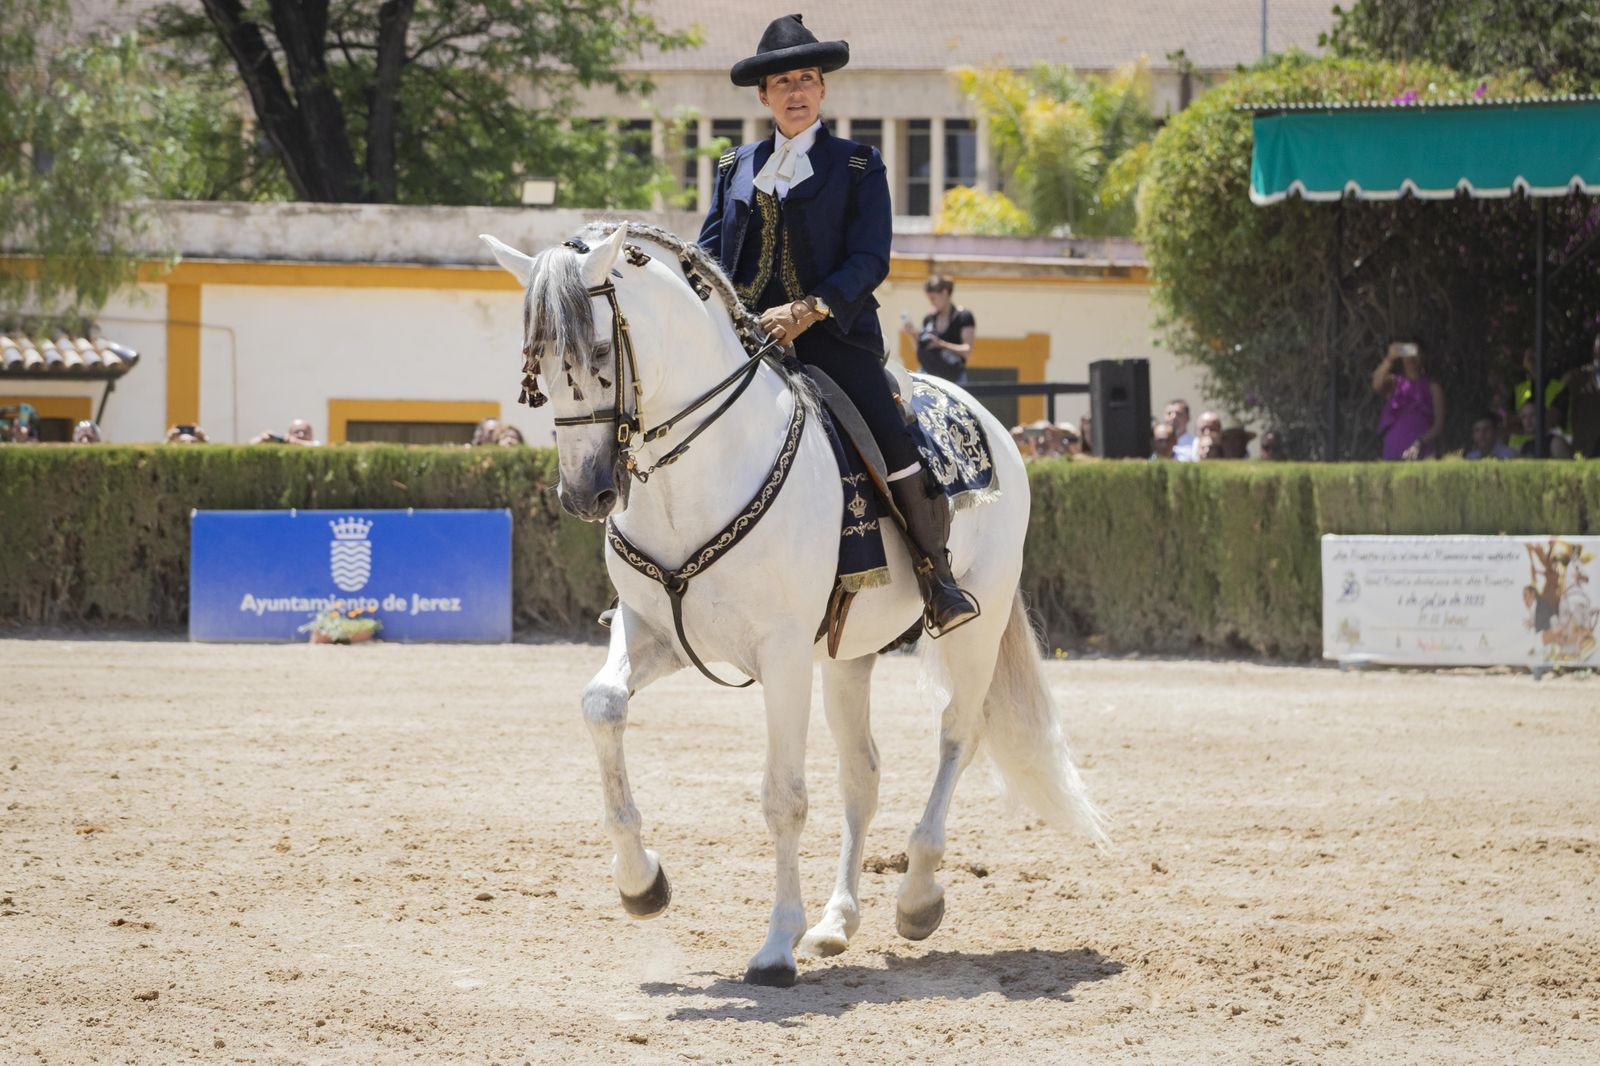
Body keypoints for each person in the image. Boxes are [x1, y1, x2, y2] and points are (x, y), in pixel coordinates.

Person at [699, 13, 976, 636]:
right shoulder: (732, 167)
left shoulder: (858, 164)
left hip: (834, 336)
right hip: (749, 341)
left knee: (888, 431)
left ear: (821, 89)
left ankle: (937, 574)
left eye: (806, 78)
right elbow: (710, 255)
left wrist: (808, 308)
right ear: (763, 96)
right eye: (782, 82)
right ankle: (661, 579)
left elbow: (871, 257)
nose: (795, 90)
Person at [1373, 341, 1444, 460]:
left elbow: (1438, 425)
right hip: (1393, 448)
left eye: (1415, 352)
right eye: (1407, 352)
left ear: (1423, 356)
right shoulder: (1395, 383)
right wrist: (1389, 359)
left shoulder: (1433, 388)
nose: (1411, 357)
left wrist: (1419, 443)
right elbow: (1377, 385)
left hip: (1422, 450)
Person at [901, 275, 974, 383]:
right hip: (928, 374)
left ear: (944, 293)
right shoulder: (929, 318)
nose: (932, 302)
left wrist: (941, 344)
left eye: (933, 298)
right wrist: (912, 335)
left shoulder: (963, 317)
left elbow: (967, 351)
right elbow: (920, 348)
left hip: (953, 378)